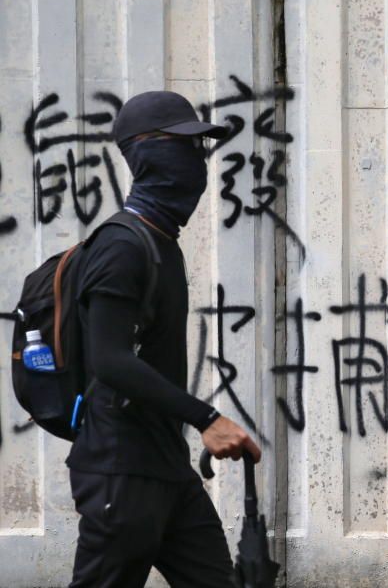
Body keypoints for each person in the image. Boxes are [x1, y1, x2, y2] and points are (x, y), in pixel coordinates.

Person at [66, 91, 262, 587]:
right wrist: (207, 419)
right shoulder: (121, 246)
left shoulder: (161, 243)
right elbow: (108, 359)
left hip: (168, 470)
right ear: (144, 151)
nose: (195, 162)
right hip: (122, 472)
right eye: (182, 145)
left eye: (199, 148)